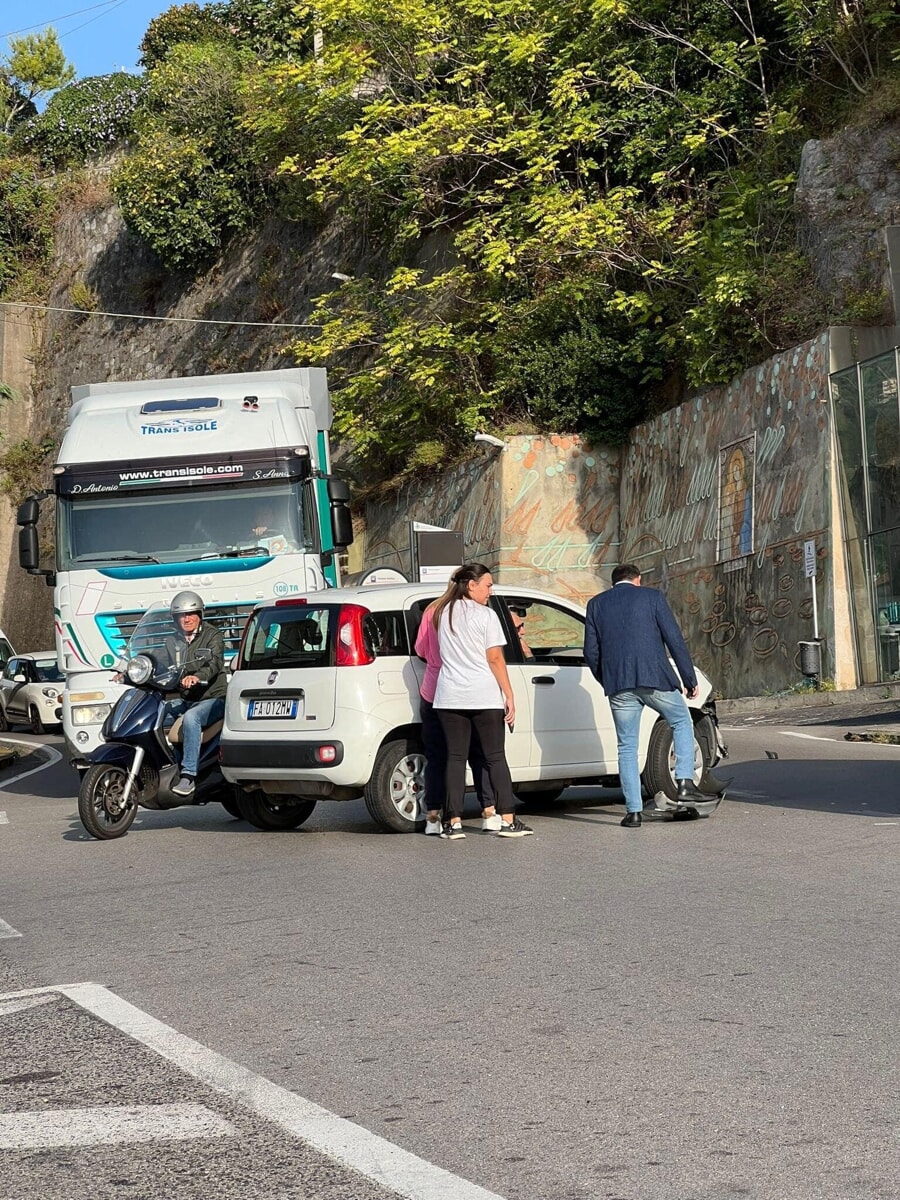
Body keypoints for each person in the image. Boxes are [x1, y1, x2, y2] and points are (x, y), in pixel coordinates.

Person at [584, 563, 708, 828]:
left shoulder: (596, 605)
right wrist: (689, 677)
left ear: (613, 582)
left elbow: (591, 652)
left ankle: (633, 813)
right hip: (655, 679)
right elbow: (674, 638)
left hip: (619, 686)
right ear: (637, 579)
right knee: (681, 721)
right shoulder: (652, 597)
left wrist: (608, 678)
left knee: (627, 746)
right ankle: (685, 781)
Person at [431, 563, 532, 839]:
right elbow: (495, 658)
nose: (491, 591)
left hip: (450, 695)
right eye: (487, 585)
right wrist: (509, 694)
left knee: (454, 758)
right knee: (495, 757)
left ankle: (452, 822)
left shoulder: (442, 612)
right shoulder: (486, 615)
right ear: (471, 584)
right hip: (484, 694)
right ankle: (508, 819)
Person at [415, 590, 501, 835]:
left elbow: (421, 649)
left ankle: (434, 816)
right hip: (471, 692)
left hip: (433, 690)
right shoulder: (475, 614)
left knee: (439, 756)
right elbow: (492, 655)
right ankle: (489, 810)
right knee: (480, 754)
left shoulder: (433, 611)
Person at [164, 591, 228, 798]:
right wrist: (130, 673)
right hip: (187, 698)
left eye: (191, 613)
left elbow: (215, 662)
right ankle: (167, 763)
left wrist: (197, 676)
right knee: (156, 711)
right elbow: (162, 667)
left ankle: (189, 775)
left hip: (213, 698)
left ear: (200, 614)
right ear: (175, 618)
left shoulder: (213, 635)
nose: (187, 618)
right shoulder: (171, 641)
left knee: (191, 719)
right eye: (182, 615)